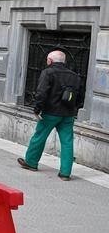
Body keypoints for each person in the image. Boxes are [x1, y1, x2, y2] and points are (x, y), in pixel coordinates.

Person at [17, 50, 84, 181]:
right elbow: (80, 97)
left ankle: (31, 162)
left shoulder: (48, 72)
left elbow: (41, 93)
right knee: (67, 143)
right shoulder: (75, 76)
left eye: (47, 60)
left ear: (50, 60)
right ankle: (65, 173)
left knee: (39, 137)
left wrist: (37, 109)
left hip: (50, 113)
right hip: (68, 115)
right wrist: (74, 109)